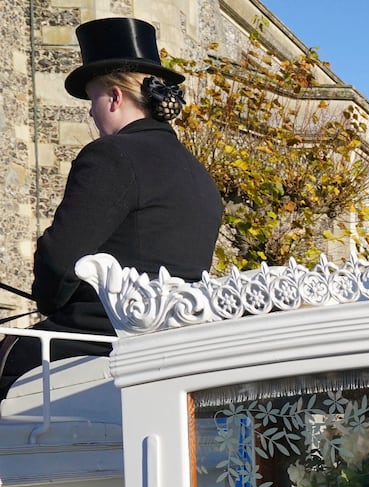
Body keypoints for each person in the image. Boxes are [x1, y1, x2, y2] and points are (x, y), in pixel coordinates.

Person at [0, 17, 222, 398]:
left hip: (98, 340)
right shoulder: (198, 173)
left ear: (116, 97)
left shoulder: (111, 156)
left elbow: (60, 259)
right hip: (175, 343)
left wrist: (50, 300)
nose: (90, 113)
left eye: (94, 100)